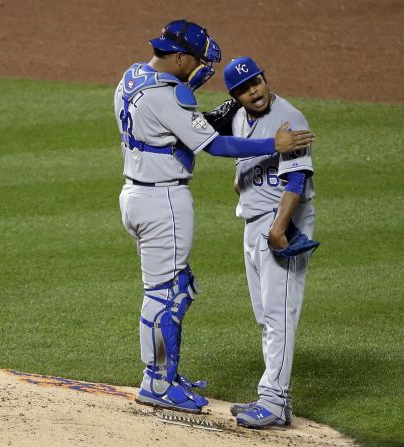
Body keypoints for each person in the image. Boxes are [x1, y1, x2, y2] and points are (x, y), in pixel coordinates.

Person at [114, 21, 315, 414]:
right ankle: (157, 380)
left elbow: (173, 119)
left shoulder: (131, 76)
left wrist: (187, 91)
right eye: (195, 62)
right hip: (163, 201)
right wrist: (271, 144)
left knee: (174, 287)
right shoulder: (168, 96)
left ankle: (164, 374)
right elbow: (214, 143)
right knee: (167, 294)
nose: (199, 69)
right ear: (179, 57)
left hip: (136, 192)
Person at [205, 56, 318, 428]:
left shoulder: (289, 117)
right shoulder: (239, 116)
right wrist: (244, 178)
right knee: (264, 314)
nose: (254, 92)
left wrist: (279, 227)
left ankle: (273, 400)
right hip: (253, 221)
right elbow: (229, 146)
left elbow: (296, 179)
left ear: (265, 78)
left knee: (278, 314)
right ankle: (276, 400)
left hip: (279, 223)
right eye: (243, 88)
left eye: (256, 82)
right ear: (235, 95)